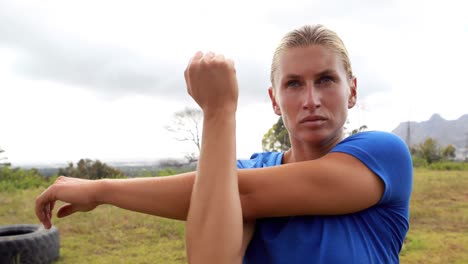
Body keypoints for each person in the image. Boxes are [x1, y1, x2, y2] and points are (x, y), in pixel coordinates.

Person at [35, 24, 413, 263]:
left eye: (327, 80)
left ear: (352, 91)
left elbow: (239, 193)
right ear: (273, 99)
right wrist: (218, 116)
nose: (311, 99)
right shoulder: (247, 175)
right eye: (293, 83)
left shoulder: (383, 153)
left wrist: (218, 111)